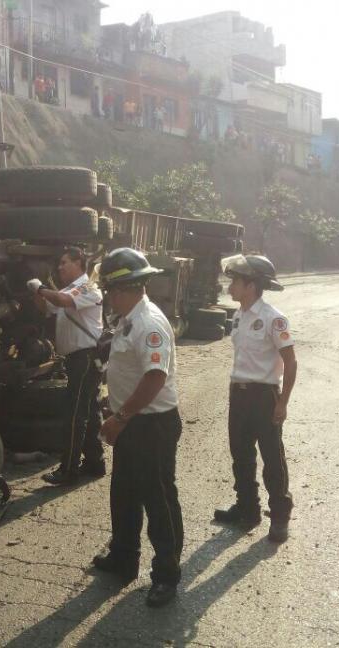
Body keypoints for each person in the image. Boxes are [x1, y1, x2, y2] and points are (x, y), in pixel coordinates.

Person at [91, 248, 184, 608]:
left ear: (127, 287)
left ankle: (166, 575)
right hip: (133, 421)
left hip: (150, 424)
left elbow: (155, 377)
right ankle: (124, 557)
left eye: (111, 290)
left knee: (159, 499)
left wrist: (120, 417)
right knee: (125, 492)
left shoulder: (148, 322)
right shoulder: (128, 317)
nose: (108, 297)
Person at [215, 254, 297, 543]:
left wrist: (282, 402)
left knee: (272, 459)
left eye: (235, 281)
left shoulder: (273, 318)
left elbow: (290, 362)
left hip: (264, 396)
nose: (230, 286)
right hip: (239, 394)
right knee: (241, 455)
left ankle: (280, 518)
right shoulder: (238, 316)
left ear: (251, 285)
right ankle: (247, 509)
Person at [27, 248, 105, 485]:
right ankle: (95, 462)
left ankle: (68, 470)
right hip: (80, 359)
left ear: (79, 263)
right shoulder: (69, 289)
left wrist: (39, 287)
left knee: (75, 414)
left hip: (85, 358)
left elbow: (62, 301)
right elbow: (48, 308)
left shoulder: (87, 287)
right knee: (89, 412)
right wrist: (37, 293)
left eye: (64, 262)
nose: (59, 267)